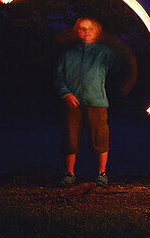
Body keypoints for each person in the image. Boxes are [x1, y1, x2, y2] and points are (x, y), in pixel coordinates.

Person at [56, 17, 133, 187]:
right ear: (77, 31)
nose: (86, 31)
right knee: (70, 138)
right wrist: (66, 94)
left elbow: (118, 65)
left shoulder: (104, 52)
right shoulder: (69, 53)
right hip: (72, 101)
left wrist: (120, 50)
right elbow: (58, 76)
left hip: (97, 101)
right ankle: (69, 174)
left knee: (100, 138)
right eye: (82, 28)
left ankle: (102, 174)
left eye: (90, 28)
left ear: (97, 31)